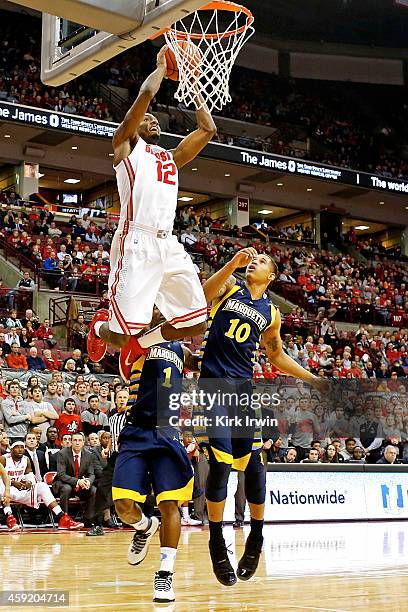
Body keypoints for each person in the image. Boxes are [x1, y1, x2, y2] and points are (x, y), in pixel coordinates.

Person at [87, 45, 217, 381]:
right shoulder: (126, 146)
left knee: (195, 322)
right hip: (136, 241)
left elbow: (208, 130)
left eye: (156, 118)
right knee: (119, 335)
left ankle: (142, 344)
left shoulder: (170, 157)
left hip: (168, 245)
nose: (152, 118)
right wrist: (162, 66)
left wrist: (192, 79)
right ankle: (98, 326)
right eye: (147, 118)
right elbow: (145, 95)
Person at [199, 248, 322, 586]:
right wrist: (230, 265)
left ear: (270, 276)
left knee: (254, 464)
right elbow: (202, 295)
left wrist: (312, 378)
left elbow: (277, 355)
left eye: (262, 261)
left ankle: (255, 537)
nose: (254, 261)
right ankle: (215, 542)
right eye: (253, 259)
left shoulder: (271, 313)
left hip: (243, 390)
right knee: (221, 466)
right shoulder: (229, 287)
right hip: (212, 387)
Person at [112, 334, 199, 603]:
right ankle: (146, 526)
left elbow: (204, 365)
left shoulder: (181, 350)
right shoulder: (135, 339)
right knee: (123, 505)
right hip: (136, 430)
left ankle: (165, 574)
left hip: (167, 432)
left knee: (170, 503)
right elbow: (111, 339)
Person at [0, 441, 83, 530]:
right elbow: (2, 476)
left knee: (42, 486)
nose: (20, 449)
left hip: (20, 490)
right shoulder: (4, 459)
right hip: (6, 490)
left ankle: (62, 517)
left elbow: (30, 476)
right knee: (1, 485)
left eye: (22, 447)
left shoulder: (26, 459)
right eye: (17, 447)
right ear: (11, 449)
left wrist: (29, 483)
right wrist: (12, 482)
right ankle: (10, 518)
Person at [52, 432, 97, 526]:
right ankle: (64, 519)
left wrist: (88, 481)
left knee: (93, 490)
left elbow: (91, 474)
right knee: (67, 488)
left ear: (83, 442)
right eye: (75, 440)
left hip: (80, 485)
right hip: (62, 483)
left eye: (80, 440)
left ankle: (88, 519)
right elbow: (61, 474)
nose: (77, 443)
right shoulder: (62, 453)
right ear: (71, 442)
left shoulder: (89, 455)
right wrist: (78, 481)